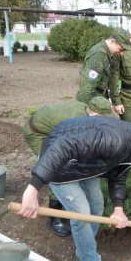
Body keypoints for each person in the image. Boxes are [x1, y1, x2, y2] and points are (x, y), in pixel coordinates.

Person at [17, 117, 131, 261]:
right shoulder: (115, 139)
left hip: (83, 164)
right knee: (82, 213)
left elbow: (119, 175)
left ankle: (84, 252)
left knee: (97, 205)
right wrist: (33, 189)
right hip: (59, 165)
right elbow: (63, 147)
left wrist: (119, 209)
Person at [22, 96, 116, 237]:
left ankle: (70, 204)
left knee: (72, 165)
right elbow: (62, 152)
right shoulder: (76, 122)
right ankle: (54, 218)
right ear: (94, 115)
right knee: (57, 170)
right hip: (38, 132)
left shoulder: (87, 113)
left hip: (55, 129)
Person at [75, 28, 131, 104]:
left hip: (99, 99)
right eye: (120, 49)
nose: (121, 53)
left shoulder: (106, 54)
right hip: (91, 103)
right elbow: (87, 88)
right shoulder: (99, 55)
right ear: (112, 41)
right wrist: (85, 110)